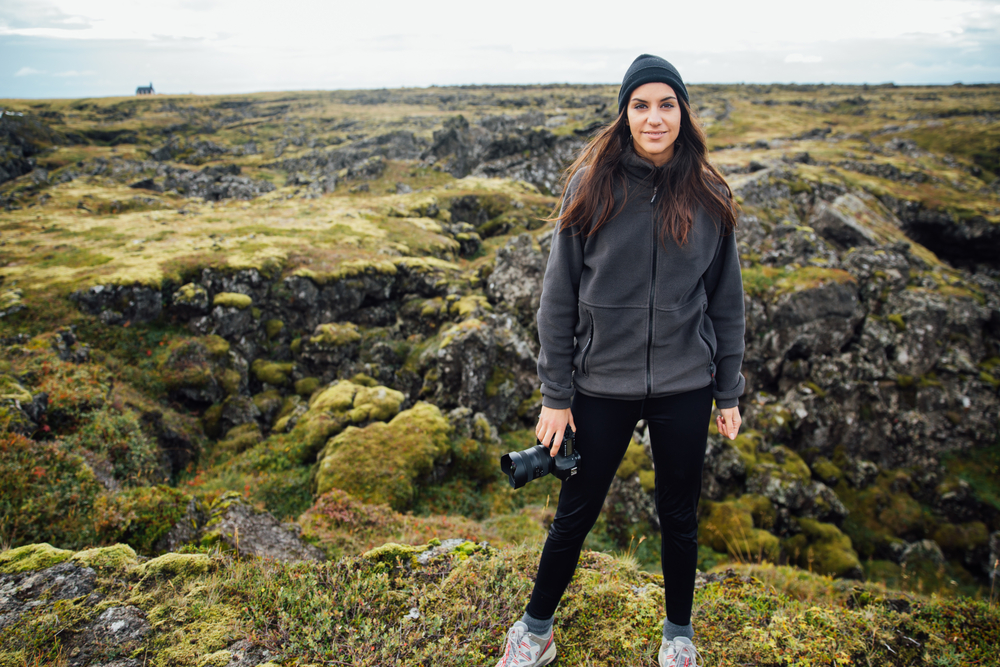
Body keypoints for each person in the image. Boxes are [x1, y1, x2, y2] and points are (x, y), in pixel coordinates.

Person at [493, 54, 745, 667]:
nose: (654, 118)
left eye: (666, 104)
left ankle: (678, 639)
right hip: (601, 382)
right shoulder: (592, 187)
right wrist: (556, 395)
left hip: (686, 381)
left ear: (682, 112)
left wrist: (729, 391)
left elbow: (727, 303)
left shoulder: (710, 194)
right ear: (625, 112)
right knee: (574, 513)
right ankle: (535, 631)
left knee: (679, 513)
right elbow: (556, 301)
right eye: (641, 105)